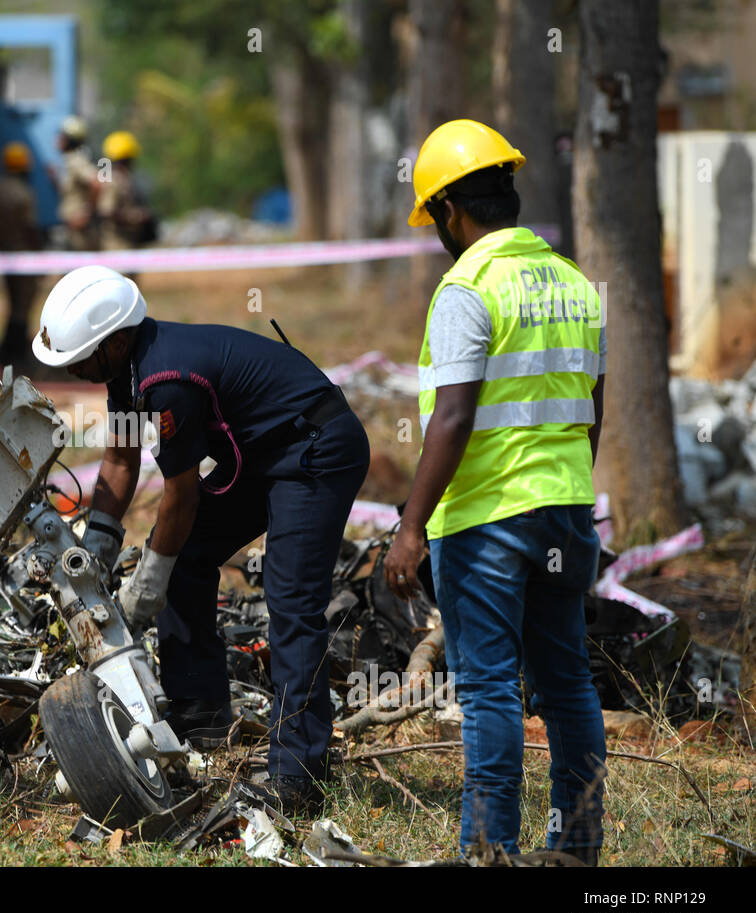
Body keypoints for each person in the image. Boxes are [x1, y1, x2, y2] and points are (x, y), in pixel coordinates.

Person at [32, 266, 370, 814]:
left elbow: (181, 495)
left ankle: (299, 776)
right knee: (188, 555)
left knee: (291, 602)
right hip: (266, 453)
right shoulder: (128, 371)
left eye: (78, 357)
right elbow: (119, 460)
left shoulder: (167, 383)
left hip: (314, 449)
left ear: (113, 342)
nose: (72, 369)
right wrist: (96, 544)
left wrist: (148, 583)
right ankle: (202, 713)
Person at [383, 119, 607, 864]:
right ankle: (576, 848)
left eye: (435, 218)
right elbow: (590, 411)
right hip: (566, 512)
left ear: (451, 209)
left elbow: (452, 415)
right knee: (568, 681)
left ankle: (488, 850)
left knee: (487, 690)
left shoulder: (468, 288)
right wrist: (568, 494)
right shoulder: (575, 284)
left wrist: (411, 527)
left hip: (485, 522)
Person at [0, 142, 42, 368]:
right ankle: (14, 354)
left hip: (3, 253)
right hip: (24, 256)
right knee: (22, 307)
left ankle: (7, 352)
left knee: (12, 303)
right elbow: (30, 228)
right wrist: (40, 253)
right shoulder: (24, 193)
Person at [97, 131, 156, 251]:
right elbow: (107, 212)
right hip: (117, 245)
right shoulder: (113, 181)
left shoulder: (125, 179)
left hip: (129, 242)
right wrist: (135, 217)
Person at [54, 115, 99, 251]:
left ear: (68, 140)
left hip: (80, 230)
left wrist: (86, 214)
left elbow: (96, 183)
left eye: (61, 135)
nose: (57, 139)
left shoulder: (76, 160)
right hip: (71, 226)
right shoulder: (69, 161)